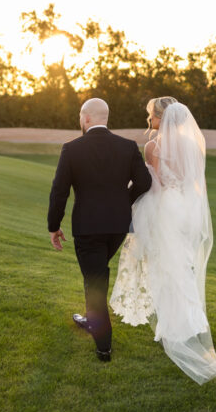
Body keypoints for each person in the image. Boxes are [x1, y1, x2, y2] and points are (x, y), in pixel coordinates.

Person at [111, 97, 216, 384]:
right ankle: (189, 322)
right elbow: (194, 183)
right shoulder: (192, 144)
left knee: (166, 266)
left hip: (165, 209)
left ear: (163, 117)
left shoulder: (153, 147)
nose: (149, 119)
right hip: (185, 208)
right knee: (182, 265)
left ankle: (174, 328)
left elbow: (152, 185)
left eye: (152, 115)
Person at [48, 98, 152, 362]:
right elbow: (144, 182)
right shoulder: (127, 146)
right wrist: (123, 202)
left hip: (88, 227)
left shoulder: (71, 149)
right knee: (96, 275)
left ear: (86, 118)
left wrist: (54, 225)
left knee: (94, 282)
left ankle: (103, 347)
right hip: (118, 227)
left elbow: (59, 192)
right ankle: (91, 318)